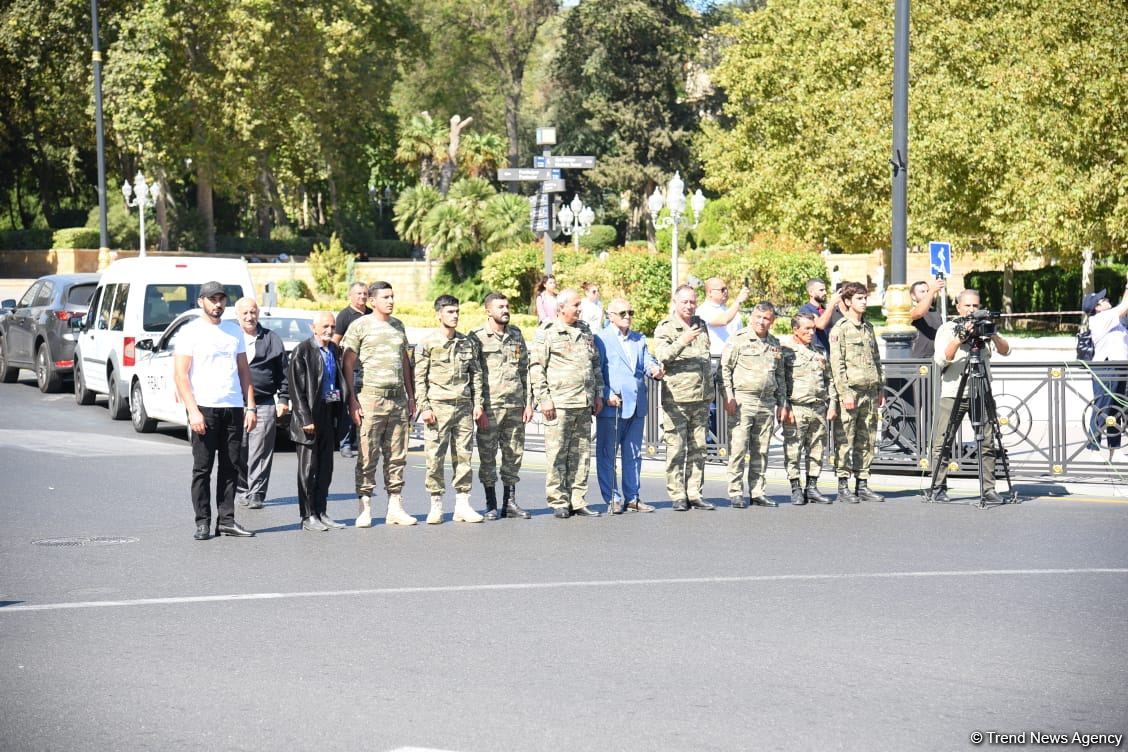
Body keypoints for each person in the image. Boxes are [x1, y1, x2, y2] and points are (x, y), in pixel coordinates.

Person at [173, 281, 257, 540]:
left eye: (221, 299)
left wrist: (250, 406)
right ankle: (202, 522)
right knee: (203, 468)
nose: (218, 304)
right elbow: (180, 375)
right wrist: (193, 411)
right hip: (204, 409)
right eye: (213, 299)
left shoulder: (234, 331)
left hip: (232, 407)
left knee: (231, 466)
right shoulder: (190, 332)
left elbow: (244, 371)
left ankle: (227, 520)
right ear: (201, 302)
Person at [341, 281, 417, 528]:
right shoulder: (359, 326)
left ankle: (395, 506)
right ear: (372, 301)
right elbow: (348, 364)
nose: (391, 301)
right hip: (371, 398)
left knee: (397, 455)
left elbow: (405, 362)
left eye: (393, 296)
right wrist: (352, 399)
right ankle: (364, 506)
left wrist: (411, 396)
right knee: (367, 453)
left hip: (397, 399)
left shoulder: (398, 326)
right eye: (386, 297)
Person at [926, 290, 1011, 503]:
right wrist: (960, 337)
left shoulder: (984, 328)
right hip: (954, 393)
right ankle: (938, 487)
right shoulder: (947, 328)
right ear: (958, 307)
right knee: (942, 442)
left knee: (987, 442)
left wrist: (992, 333)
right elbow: (942, 359)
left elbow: (1006, 350)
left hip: (980, 392)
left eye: (975, 306)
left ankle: (989, 489)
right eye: (967, 306)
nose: (972, 310)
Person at [530, 288, 604, 518]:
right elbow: (536, 367)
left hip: (583, 402)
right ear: (561, 308)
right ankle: (558, 500)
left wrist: (598, 393)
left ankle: (577, 499)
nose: (579, 308)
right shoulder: (548, 332)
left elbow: (595, 364)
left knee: (581, 454)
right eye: (575, 305)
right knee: (557, 454)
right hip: (559, 403)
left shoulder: (584, 330)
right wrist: (544, 399)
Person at [415, 295, 486, 524]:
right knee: (435, 457)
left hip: (463, 407)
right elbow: (419, 378)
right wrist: (424, 407)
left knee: (464, 456)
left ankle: (462, 504)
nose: (455, 316)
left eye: (457, 312)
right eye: (450, 312)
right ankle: (436, 504)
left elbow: (476, 375)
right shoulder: (428, 343)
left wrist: (478, 404)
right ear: (439, 314)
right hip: (438, 407)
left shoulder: (467, 343)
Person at [595, 297, 663, 514]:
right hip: (612, 405)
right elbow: (595, 371)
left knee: (633, 454)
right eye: (623, 313)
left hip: (637, 404)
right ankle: (612, 498)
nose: (628, 317)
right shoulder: (601, 339)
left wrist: (654, 369)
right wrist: (605, 394)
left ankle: (632, 498)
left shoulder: (638, 339)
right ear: (610, 316)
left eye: (630, 312)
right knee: (607, 454)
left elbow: (647, 361)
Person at [469, 292, 533, 520]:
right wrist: (478, 406)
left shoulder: (516, 334)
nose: (505, 310)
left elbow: (525, 369)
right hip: (491, 407)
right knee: (488, 456)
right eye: (500, 307)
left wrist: (528, 402)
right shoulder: (476, 337)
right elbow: (473, 374)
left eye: (507, 306)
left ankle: (510, 503)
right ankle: (491, 503)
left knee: (513, 454)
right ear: (488, 310)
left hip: (515, 405)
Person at [721, 302, 789, 508]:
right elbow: (725, 370)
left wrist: (782, 403)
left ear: (772, 320)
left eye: (766, 318)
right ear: (752, 318)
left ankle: (758, 491)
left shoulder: (774, 344)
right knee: (739, 448)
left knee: (761, 449)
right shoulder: (739, 340)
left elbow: (780, 376)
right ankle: (735, 492)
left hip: (767, 402)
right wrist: (729, 397)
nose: (761, 322)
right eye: (758, 317)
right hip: (743, 401)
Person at [654, 285, 715, 511]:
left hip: (701, 398)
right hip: (677, 399)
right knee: (677, 448)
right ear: (675, 301)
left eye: (692, 302)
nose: (689, 306)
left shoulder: (701, 324)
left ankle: (694, 492)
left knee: (699, 448)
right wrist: (683, 339)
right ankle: (678, 493)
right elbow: (662, 355)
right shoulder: (666, 327)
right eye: (685, 302)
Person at [287, 312, 349, 531]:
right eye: (325, 326)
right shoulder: (302, 351)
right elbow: (295, 389)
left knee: (326, 468)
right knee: (308, 468)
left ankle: (321, 511)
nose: (329, 330)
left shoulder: (333, 349)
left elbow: (335, 382)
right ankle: (307, 515)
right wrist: (305, 418)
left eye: (332, 326)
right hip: (309, 418)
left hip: (327, 413)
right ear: (313, 328)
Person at [828, 281, 885, 504]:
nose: (863, 302)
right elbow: (837, 365)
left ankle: (863, 483)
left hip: (870, 391)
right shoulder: (840, 329)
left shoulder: (869, 328)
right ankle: (843, 485)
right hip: (852, 392)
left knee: (867, 439)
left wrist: (880, 388)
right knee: (845, 439)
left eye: (865, 297)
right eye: (859, 298)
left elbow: (877, 359)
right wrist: (844, 394)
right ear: (847, 302)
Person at [233, 297, 289, 511]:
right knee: (238, 448)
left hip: (264, 402)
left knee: (261, 450)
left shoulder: (271, 339)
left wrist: (283, 398)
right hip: (235, 402)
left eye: (253, 312)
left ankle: (257, 492)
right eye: (245, 313)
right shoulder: (231, 338)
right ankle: (241, 489)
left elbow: (284, 372)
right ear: (237, 315)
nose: (250, 317)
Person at [781, 313, 836, 505]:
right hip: (797, 407)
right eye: (806, 329)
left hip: (818, 407)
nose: (811, 332)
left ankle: (811, 487)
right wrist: (784, 407)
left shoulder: (819, 351)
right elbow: (781, 382)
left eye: (813, 328)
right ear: (795, 330)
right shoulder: (787, 351)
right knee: (793, 449)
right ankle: (795, 487)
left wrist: (832, 404)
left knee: (816, 449)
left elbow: (829, 380)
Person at [1083, 284, 1128, 456]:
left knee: (1116, 411)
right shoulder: (1101, 318)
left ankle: (1114, 451)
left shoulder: (1112, 320)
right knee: (1103, 408)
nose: (1108, 300)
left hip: (1119, 368)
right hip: (1106, 368)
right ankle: (1093, 449)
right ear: (1097, 307)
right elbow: (1125, 305)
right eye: (1104, 300)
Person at [333, 281, 370, 458]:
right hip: (351, 370)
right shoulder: (345, 316)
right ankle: (345, 443)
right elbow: (335, 341)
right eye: (359, 293)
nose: (362, 297)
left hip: (369, 370)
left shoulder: (372, 314)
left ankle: (361, 441)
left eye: (365, 293)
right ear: (350, 295)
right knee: (349, 406)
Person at [698, 277, 749, 357]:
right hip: (715, 358)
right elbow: (723, 321)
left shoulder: (731, 311)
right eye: (722, 289)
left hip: (733, 358)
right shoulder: (703, 310)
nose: (725, 292)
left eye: (726, 289)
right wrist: (738, 300)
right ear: (710, 292)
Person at [798, 278, 843, 355]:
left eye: (825, 290)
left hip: (830, 354)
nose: (825, 293)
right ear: (811, 292)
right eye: (821, 290)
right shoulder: (805, 310)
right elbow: (820, 325)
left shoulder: (825, 310)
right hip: (816, 355)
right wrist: (832, 303)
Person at [909, 278, 947, 358]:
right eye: (922, 292)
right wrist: (932, 291)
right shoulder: (911, 309)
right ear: (913, 296)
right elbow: (919, 313)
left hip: (935, 357)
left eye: (927, 291)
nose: (926, 294)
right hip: (919, 358)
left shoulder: (936, 311)